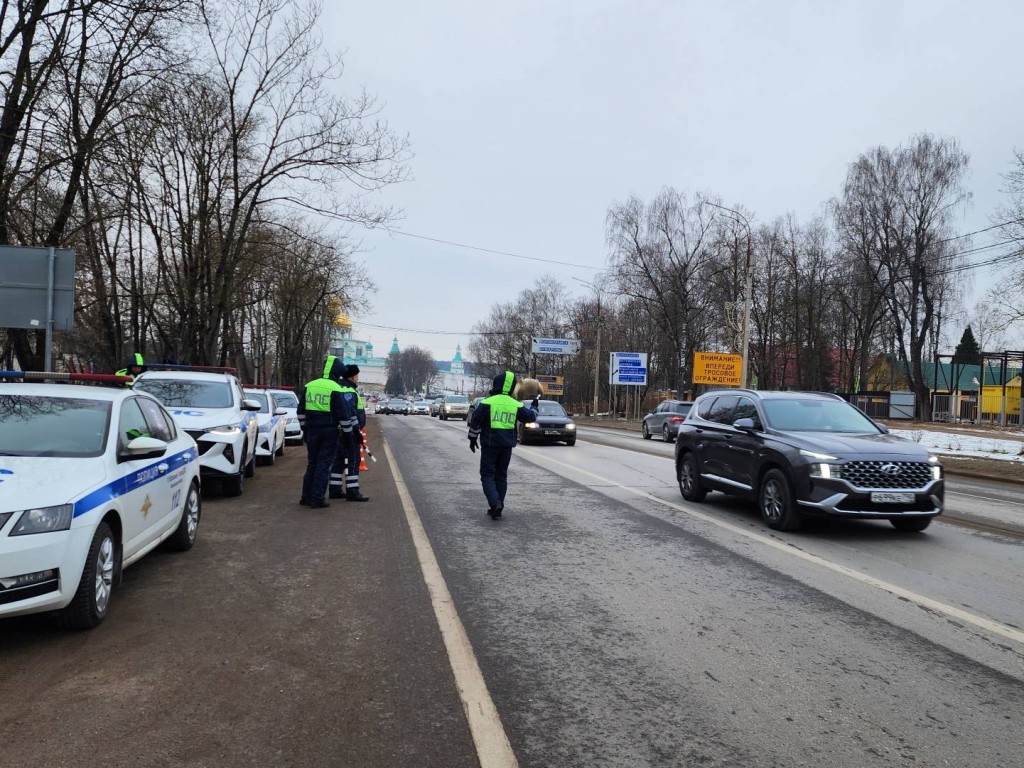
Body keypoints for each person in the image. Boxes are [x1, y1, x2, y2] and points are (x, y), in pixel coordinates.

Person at [467, 370, 538, 519]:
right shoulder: (515, 404)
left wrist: (473, 439)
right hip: (507, 446)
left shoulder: (487, 402)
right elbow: (530, 418)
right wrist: (535, 406)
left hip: (490, 445)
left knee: (487, 475)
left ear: (497, 384)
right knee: (501, 476)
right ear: (511, 387)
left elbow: (475, 422)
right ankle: (499, 505)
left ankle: (495, 503)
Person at [297, 355, 354, 509]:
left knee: (312, 463)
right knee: (324, 464)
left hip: (312, 431)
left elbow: (300, 412)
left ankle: (306, 497)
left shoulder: (310, 385)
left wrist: (305, 429)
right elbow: (343, 416)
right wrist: (348, 435)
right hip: (329, 432)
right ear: (337, 373)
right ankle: (317, 499)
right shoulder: (335, 389)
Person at [329, 364, 369, 502]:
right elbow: (350, 413)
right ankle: (353, 491)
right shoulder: (348, 391)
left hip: (341, 431)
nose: (358, 378)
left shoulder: (341, 388)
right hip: (349, 431)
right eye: (357, 376)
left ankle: (334, 489)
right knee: (353, 460)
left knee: (338, 460)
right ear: (352, 377)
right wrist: (356, 431)